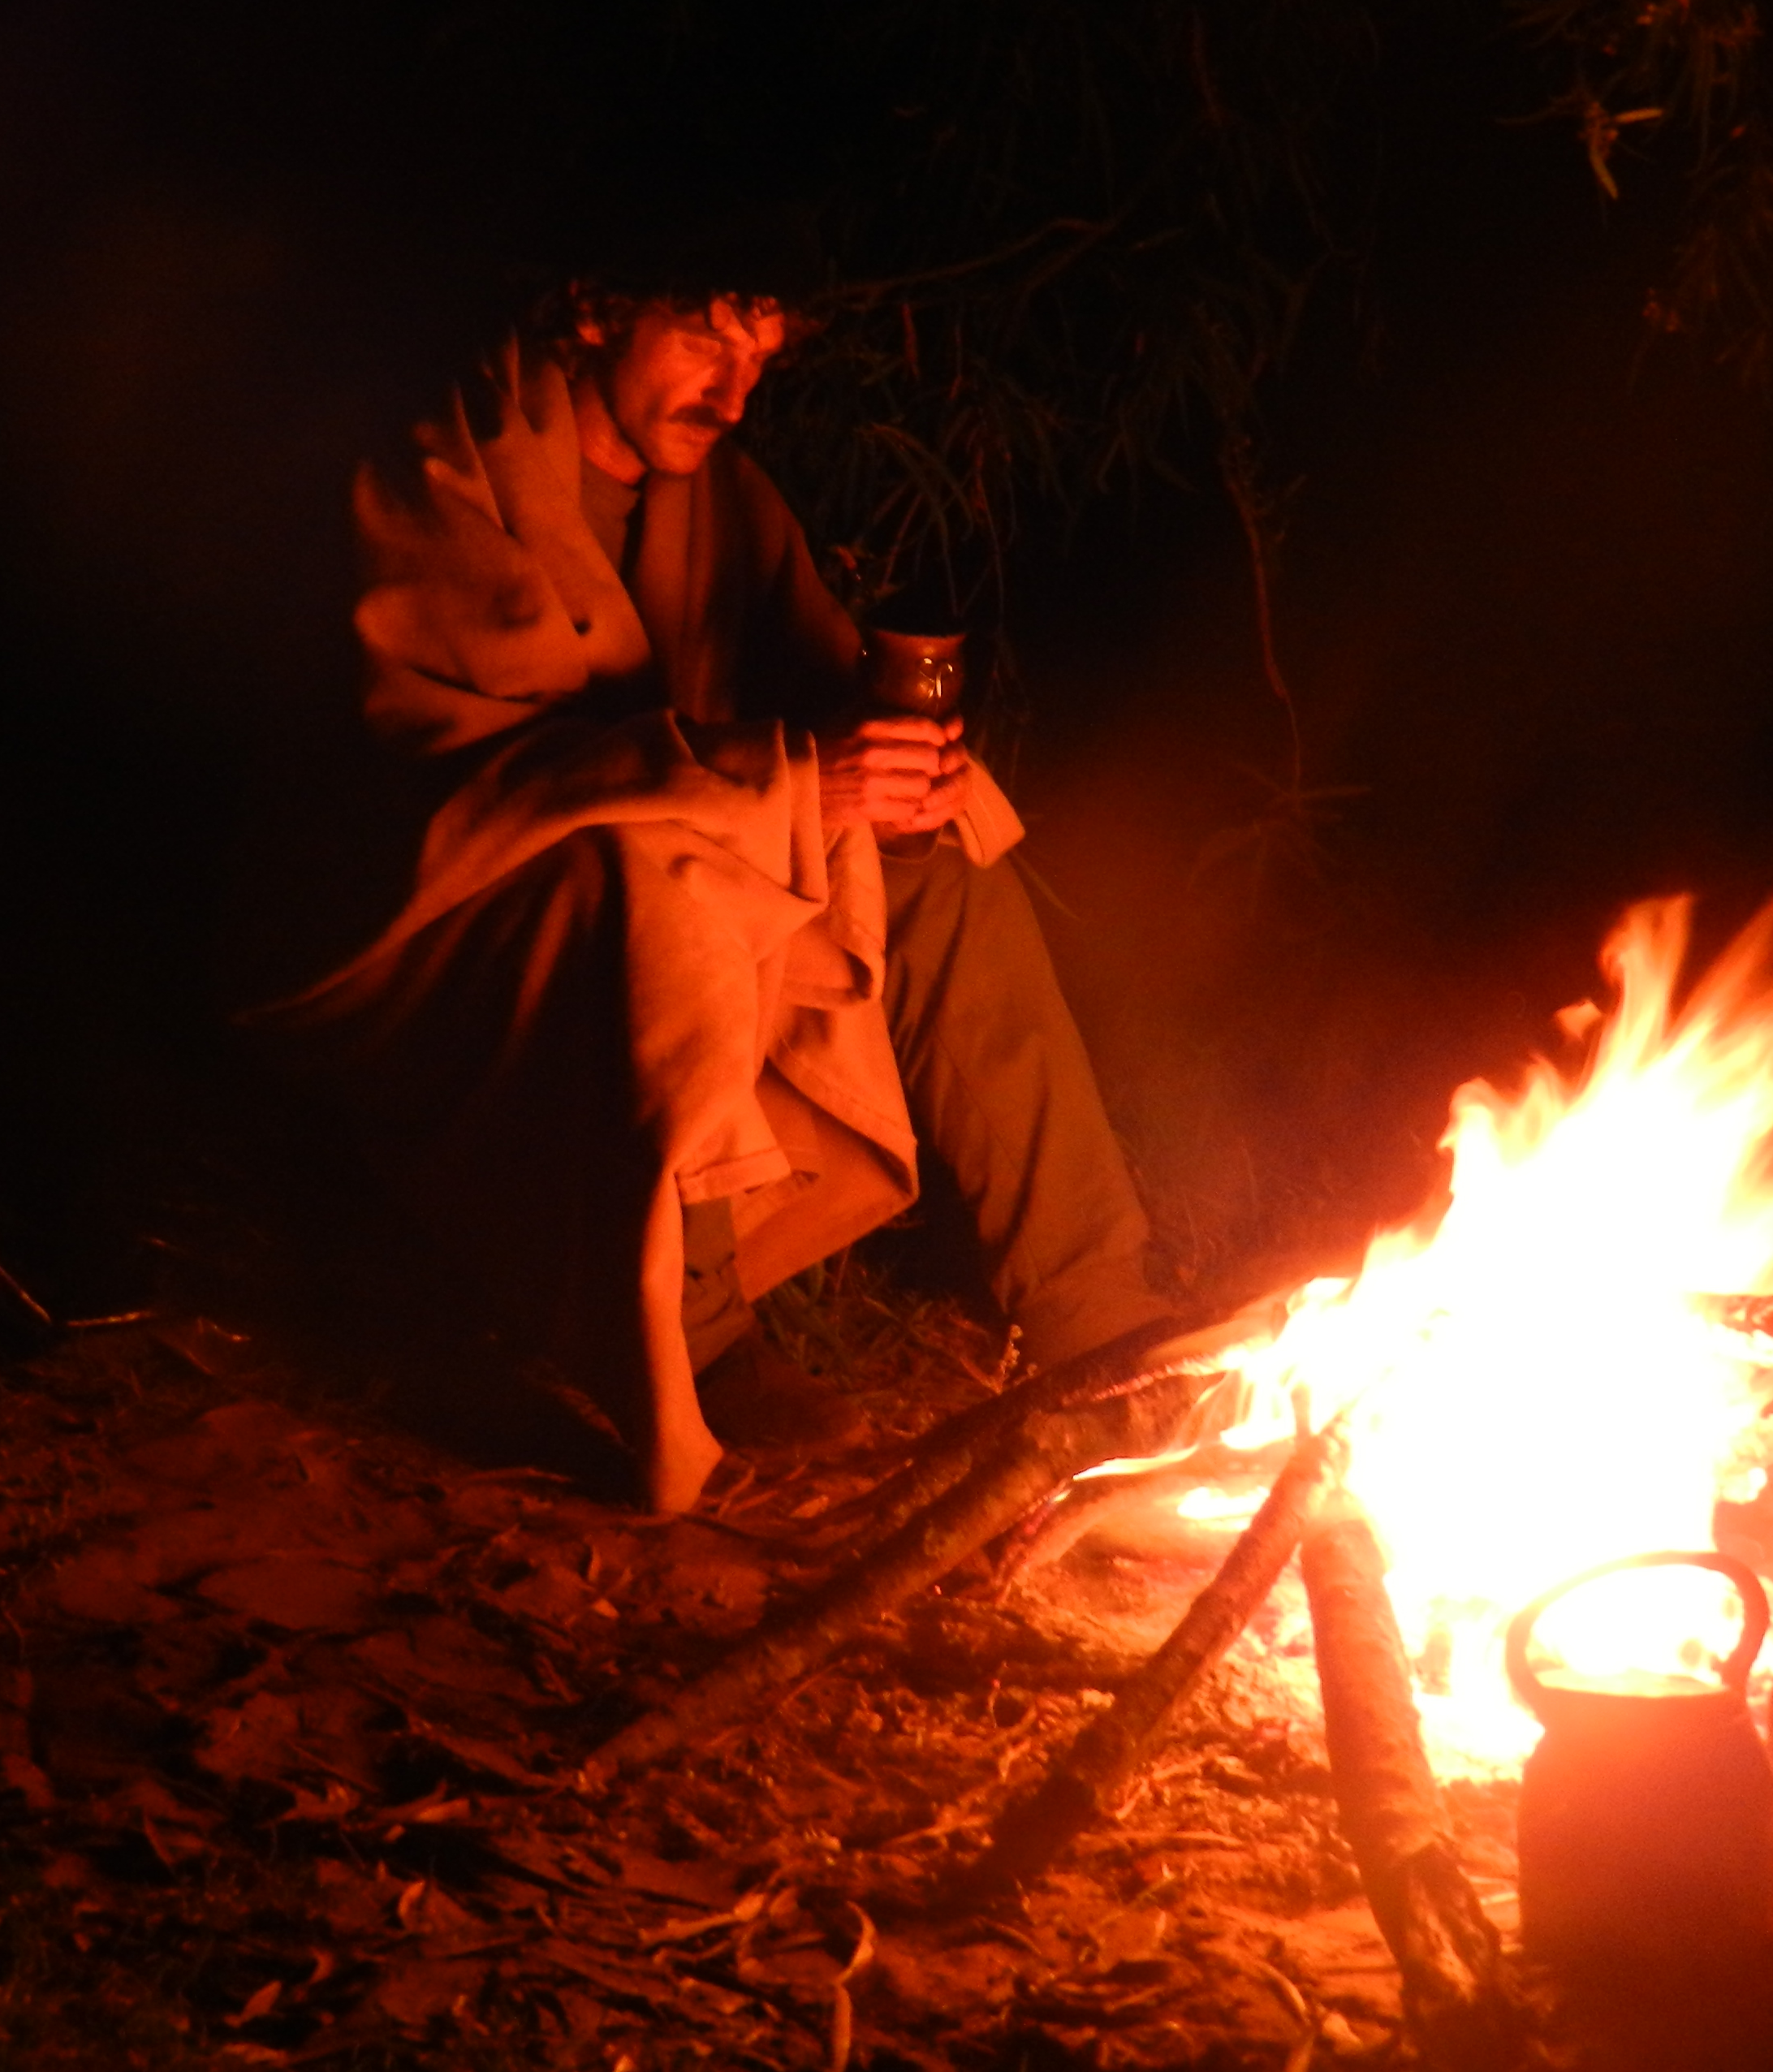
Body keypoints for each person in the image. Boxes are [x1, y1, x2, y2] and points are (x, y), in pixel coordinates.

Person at [251, 259, 1171, 1512]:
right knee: (648, 877)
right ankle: (707, 1349)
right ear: (594, 308)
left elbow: (805, 704)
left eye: (763, 359)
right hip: (430, 916)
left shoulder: (723, 504)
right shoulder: (439, 476)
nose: (734, 396)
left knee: (940, 882)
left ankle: (1104, 1324)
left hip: (660, 861)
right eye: (704, 344)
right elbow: (460, 783)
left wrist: (894, 780)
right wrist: (796, 782)